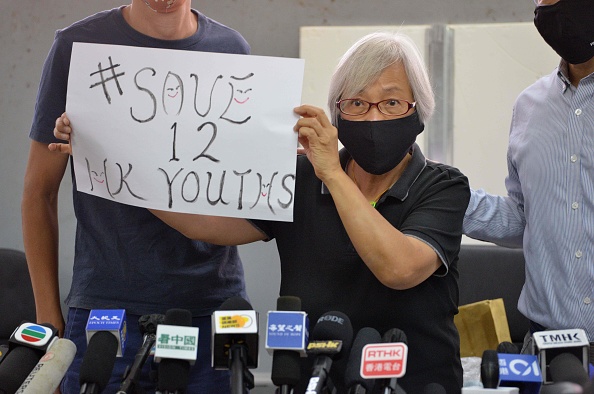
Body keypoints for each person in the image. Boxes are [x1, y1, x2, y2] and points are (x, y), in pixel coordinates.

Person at [54, 32, 470, 393]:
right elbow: (208, 224)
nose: (374, 115)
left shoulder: (443, 185)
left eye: (392, 102)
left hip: (413, 381)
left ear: (418, 111)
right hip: (309, 380)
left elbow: (398, 269)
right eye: (357, 103)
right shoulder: (304, 177)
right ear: (338, 111)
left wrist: (332, 173)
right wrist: (114, 159)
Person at [22, 1, 250, 392]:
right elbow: (38, 193)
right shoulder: (77, 45)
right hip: (106, 303)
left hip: (212, 301)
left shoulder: (231, 49)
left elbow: (242, 178)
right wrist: (47, 319)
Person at [463, 0, 594, 356]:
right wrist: (446, 196)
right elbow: (525, 219)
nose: (549, 6)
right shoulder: (529, 106)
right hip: (547, 347)